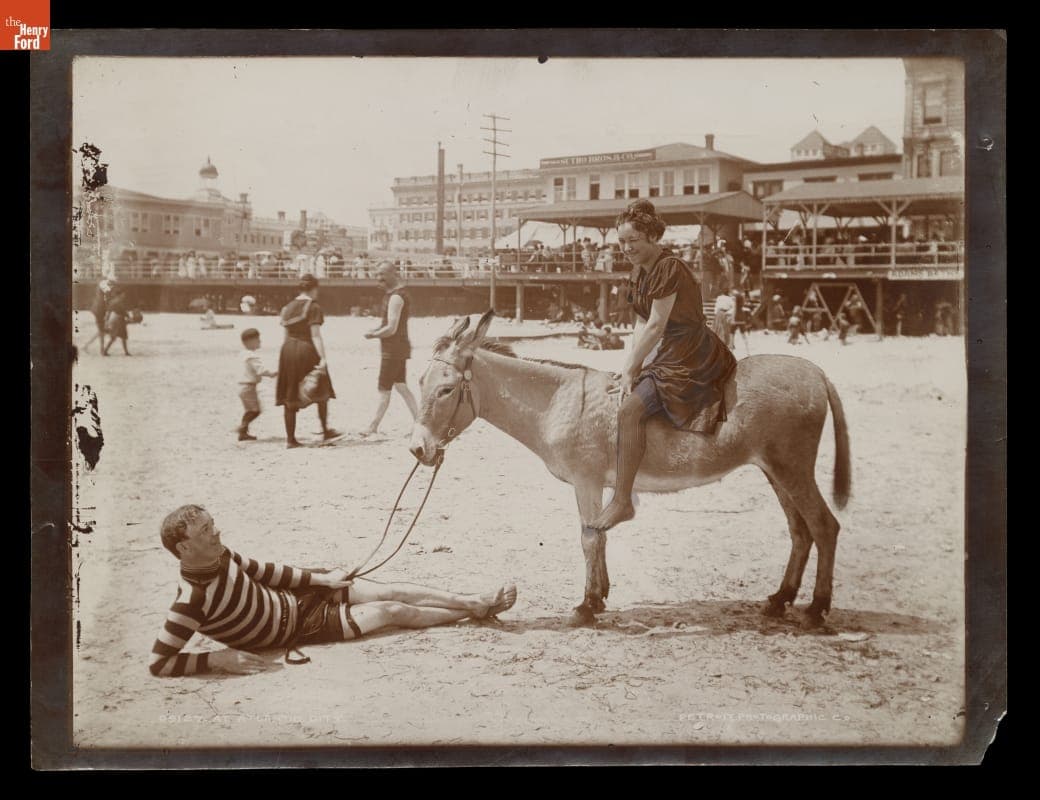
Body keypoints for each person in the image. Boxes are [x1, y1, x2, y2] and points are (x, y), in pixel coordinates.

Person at [149, 505, 518, 677]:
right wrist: (218, 660)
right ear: (183, 549)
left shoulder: (221, 554)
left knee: (387, 589)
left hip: (299, 597)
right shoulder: (190, 602)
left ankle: (472, 600)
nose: (217, 534)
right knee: (392, 611)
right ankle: (474, 611)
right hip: (300, 628)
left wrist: (321, 580)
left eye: (213, 525)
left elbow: (269, 572)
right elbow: (159, 663)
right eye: (205, 532)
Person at [589, 200, 737, 532]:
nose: (626, 248)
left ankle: (623, 501)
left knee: (629, 411)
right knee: (626, 389)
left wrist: (633, 370)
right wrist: (631, 364)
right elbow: (642, 325)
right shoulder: (639, 271)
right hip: (667, 350)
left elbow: (657, 325)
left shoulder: (669, 267)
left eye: (633, 241)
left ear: (653, 237)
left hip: (690, 352)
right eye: (621, 242)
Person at [275, 274, 341, 448]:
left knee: (290, 393)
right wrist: (323, 359)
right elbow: (316, 335)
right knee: (321, 386)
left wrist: (286, 357)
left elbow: (285, 335)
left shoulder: (287, 307)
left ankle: (290, 439)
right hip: (306, 348)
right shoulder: (313, 307)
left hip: (287, 350)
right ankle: (325, 431)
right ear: (314, 288)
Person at [362, 261, 419, 436]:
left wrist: (373, 335)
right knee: (401, 386)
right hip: (398, 348)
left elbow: (391, 328)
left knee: (384, 389)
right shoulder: (396, 294)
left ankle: (372, 427)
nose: (379, 278)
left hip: (392, 350)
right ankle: (420, 422)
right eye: (378, 274)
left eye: (383, 274)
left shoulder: (396, 297)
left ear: (393, 274)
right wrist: (377, 330)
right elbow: (391, 326)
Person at [237, 328, 278, 441]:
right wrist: (273, 373)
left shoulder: (242, 354)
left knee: (250, 410)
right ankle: (242, 428)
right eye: (257, 339)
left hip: (242, 386)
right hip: (248, 386)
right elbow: (260, 370)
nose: (260, 341)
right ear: (249, 341)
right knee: (255, 410)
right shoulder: (251, 356)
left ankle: (243, 432)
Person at [82, 278, 112, 354]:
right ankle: (101, 350)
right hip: (99, 312)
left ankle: (86, 346)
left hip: (98, 311)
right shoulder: (103, 294)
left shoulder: (101, 294)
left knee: (101, 331)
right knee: (102, 331)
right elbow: (105, 303)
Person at [102, 289, 131, 356]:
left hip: (114, 319)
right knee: (123, 336)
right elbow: (123, 311)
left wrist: (106, 322)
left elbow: (108, 312)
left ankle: (105, 351)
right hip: (119, 320)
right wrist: (128, 317)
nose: (124, 295)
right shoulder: (119, 302)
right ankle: (126, 352)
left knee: (114, 337)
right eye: (123, 294)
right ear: (120, 295)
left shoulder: (112, 302)